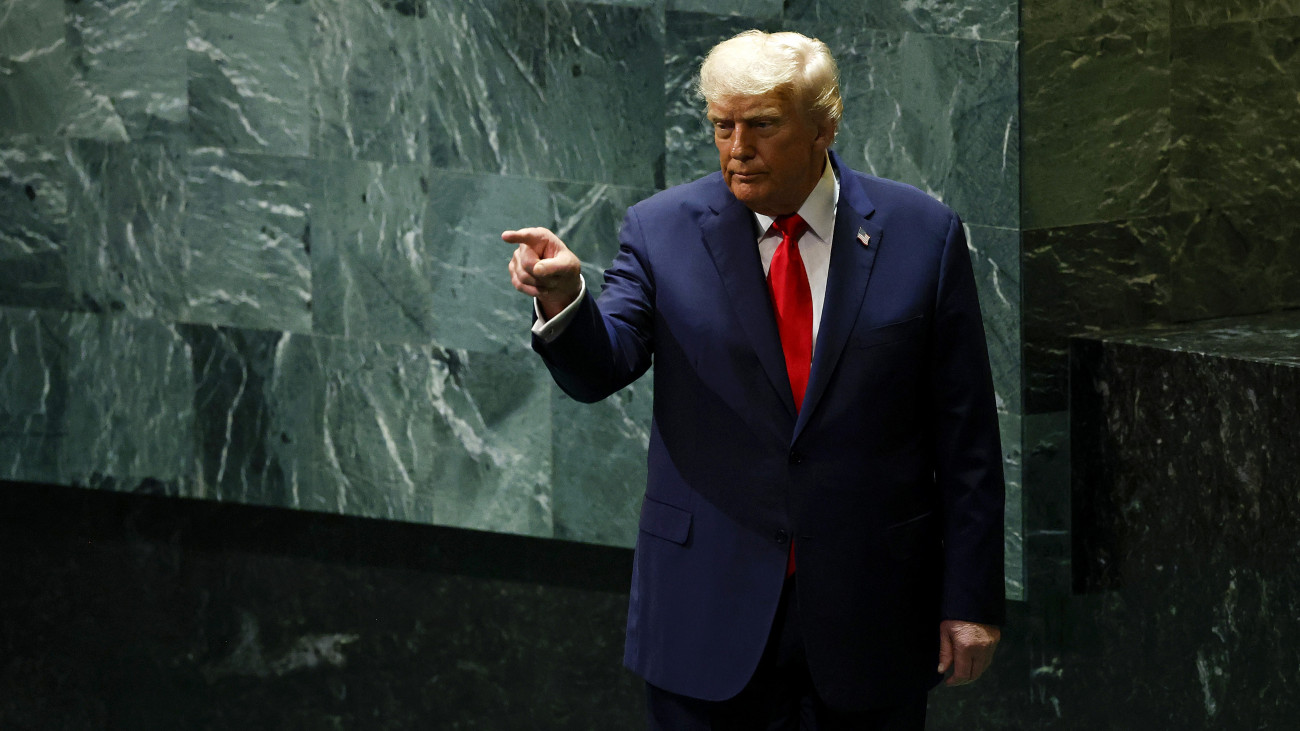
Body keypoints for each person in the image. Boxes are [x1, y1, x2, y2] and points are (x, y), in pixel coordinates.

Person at [503, 30, 1004, 730]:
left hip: (871, 611)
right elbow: (603, 362)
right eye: (721, 125)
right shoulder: (662, 230)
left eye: (762, 125)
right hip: (706, 610)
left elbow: (967, 435)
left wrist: (971, 598)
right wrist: (564, 300)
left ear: (824, 126)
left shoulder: (922, 233)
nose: (737, 146)